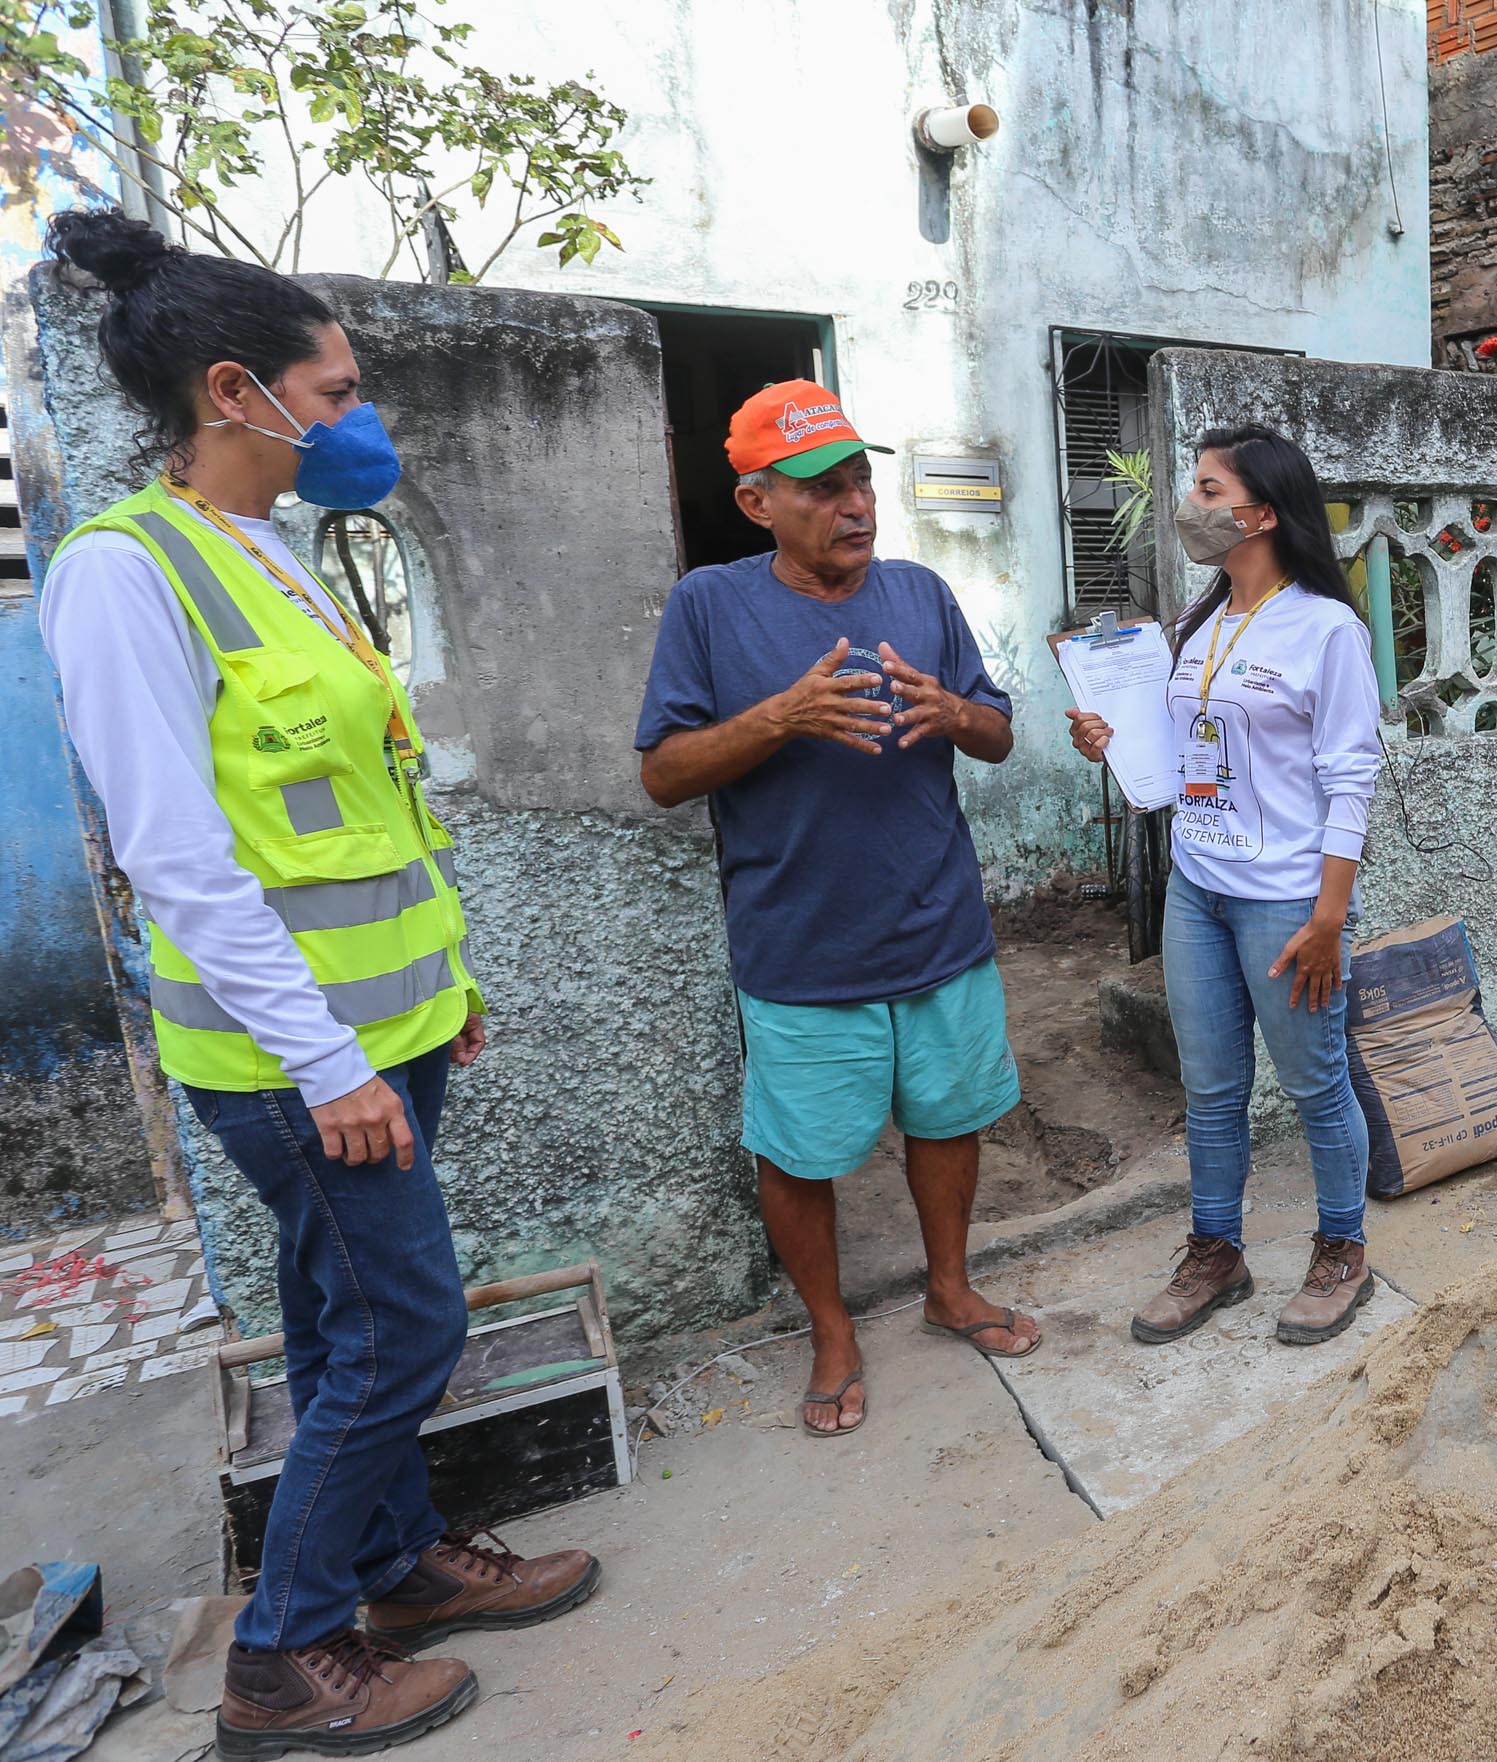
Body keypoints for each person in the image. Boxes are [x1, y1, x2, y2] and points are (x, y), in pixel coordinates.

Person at [37, 209, 596, 1758]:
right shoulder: (123, 574)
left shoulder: (271, 551)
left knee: (339, 1315)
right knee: (401, 1331)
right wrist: (332, 1065)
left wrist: (444, 985)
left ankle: (396, 1562)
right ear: (237, 390)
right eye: (335, 391)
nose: (360, 421)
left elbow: (375, 805)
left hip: (386, 1028)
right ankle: (282, 1656)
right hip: (298, 1062)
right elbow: (184, 860)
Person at [636, 381, 1041, 1439]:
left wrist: (955, 711)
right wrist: (780, 716)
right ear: (757, 500)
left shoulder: (919, 594)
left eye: (861, 478)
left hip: (939, 926)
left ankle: (949, 1290)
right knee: (801, 1153)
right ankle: (831, 1327)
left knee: (949, 1121)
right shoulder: (711, 608)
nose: (854, 504)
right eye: (821, 487)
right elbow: (666, 773)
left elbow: (997, 732)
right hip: (802, 946)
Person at [1064, 424, 1384, 1347]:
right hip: (1196, 885)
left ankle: (1341, 1252)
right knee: (1210, 1091)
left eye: (1208, 491)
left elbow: (1350, 777)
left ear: (1263, 513)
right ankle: (1216, 1252)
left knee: (1316, 1086)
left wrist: (1329, 917)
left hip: (1287, 898)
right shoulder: (1199, 623)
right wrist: (1109, 746)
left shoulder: (1327, 628)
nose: (1189, 507)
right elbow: (1181, 756)